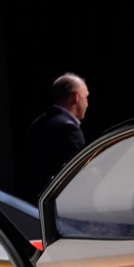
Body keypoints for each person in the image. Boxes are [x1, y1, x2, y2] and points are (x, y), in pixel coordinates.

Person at [21, 73, 88, 201]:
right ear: (75, 97)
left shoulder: (37, 124)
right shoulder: (69, 129)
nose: (87, 104)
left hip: (32, 203)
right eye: (86, 97)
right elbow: (79, 176)